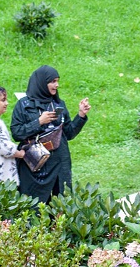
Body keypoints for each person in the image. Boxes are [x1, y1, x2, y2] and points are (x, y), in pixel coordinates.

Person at [11, 65, 90, 204]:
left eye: (57, 81)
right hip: (35, 164)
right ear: (42, 82)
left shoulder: (59, 104)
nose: (56, 85)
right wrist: (39, 122)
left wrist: (81, 115)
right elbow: (17, 133)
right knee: (33, 207)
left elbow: (69, 133)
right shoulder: (23, 105)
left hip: (59, 163)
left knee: (61, 206)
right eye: (52, 81)